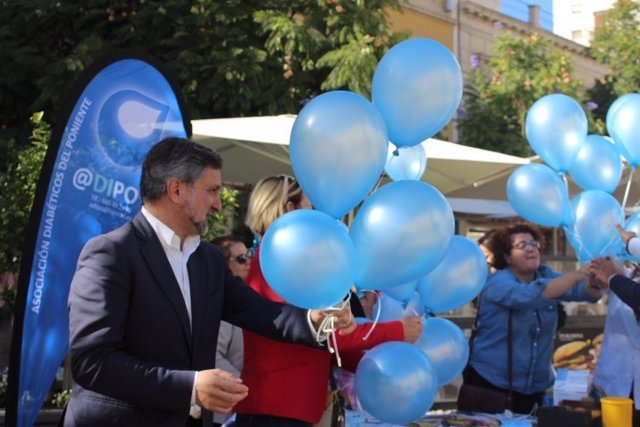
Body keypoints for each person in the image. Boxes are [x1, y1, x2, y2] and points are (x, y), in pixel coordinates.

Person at [64, 138, 355, 427]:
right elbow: (92, 362)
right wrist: (190, 387)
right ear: (176, 190)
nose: (218, 204)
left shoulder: (208, 260)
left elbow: (261, 312)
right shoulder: (110, 254)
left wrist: (315, 320)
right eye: (212, 191)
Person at [234, 174, 422, 427]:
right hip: (280, 408)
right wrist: (397, 330)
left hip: (281, 405)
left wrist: (369, 363)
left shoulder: (273, 257)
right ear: (290, 209)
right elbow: (330, 333)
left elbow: (321, 338)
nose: (316, 214)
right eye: (310, 206)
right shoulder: (283, 261)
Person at [461, 222, 603, 414]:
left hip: (534, 387)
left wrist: (595, 281)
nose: (531, 249)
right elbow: (529, 296)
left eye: (533, 243)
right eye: (521, 245)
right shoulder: (498, 283)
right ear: (506, 256)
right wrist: (577, 275)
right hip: (492, 384)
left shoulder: (546, 274)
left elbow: (583, 293)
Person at [588, 258, 640, 423]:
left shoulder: (618, 278)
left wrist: (612, 278)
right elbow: (594, 290)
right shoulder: (626, 274)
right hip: (614, 385)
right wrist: (596, 277)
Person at [210, 236, 251, 427]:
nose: (248, 263)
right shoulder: (220, 302)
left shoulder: (242, 297)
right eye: (241, 259)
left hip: (230, 405)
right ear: (223, 265)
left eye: (249, 256)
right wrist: (246, 386)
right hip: (219, 411)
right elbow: (213, 356)